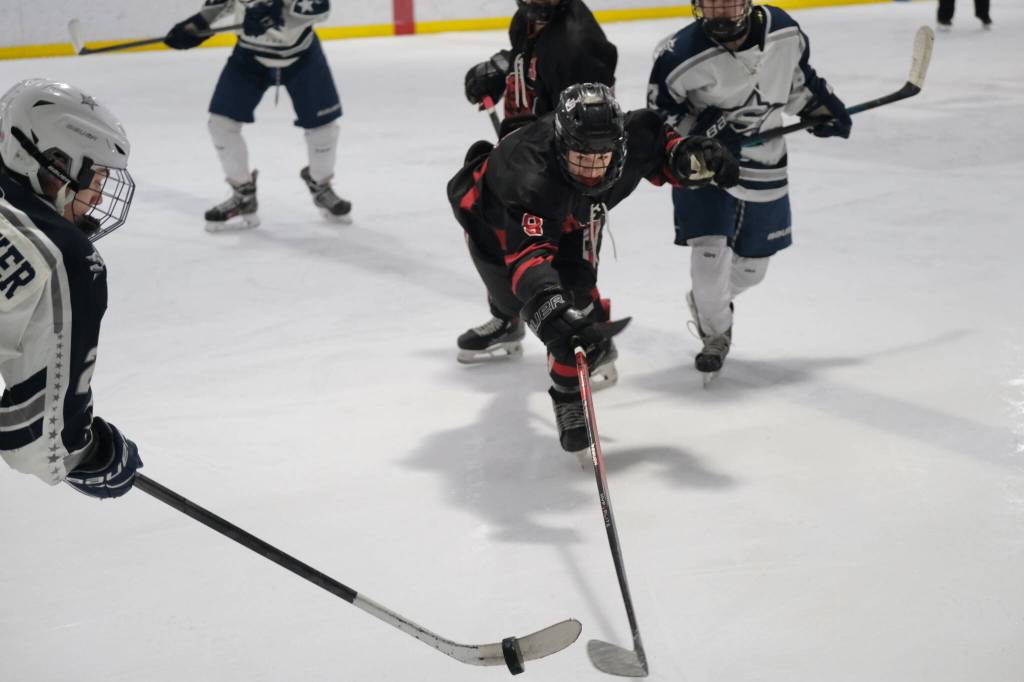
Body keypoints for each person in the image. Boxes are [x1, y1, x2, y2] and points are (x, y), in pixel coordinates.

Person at [447, 83, 739, 453]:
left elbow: (664, 149)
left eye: (602, 158)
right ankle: (507, 320)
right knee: (522, 300)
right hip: (492, 217)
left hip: (574, 216)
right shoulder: (528, 178)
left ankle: (567, 397)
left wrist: (692, 157)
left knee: (576, 306)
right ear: (559, 145)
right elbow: (528, 259)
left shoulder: (633, 137)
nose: (592, 170)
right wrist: (546, 308)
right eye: (580, 158)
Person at [647, 0, 851, 381]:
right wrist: (704, 136)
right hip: (704, 166)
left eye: (727, 5)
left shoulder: (785, 31)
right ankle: (715, 333)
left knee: (753, 269)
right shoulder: (679, 56)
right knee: (708, 260)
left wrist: (819, 107)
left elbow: (796, 82)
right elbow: (660, 121)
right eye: (709, 6)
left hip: (764, 161)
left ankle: (709, 305)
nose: (719, 15)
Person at [0, 79, 143, 498]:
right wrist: (93, 454)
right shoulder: (63, 259)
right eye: (95, 178)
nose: (97, 199)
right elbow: (34, 444)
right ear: (56, 163)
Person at [164, 0, 350, 231]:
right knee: (221, 125)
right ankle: (243, 195)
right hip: (249, 58)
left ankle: (320, 184)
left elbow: (321, 8)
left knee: (324, 129)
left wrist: (276, 16)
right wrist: (198, 24)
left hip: (301, 57)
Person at [463, 0, 618, 132]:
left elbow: (588, 143)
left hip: (549, 160)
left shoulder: (578, 50)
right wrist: (510, 69)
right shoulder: (525, 20)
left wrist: (529, 160)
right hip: (528, 147)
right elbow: (541, 55)